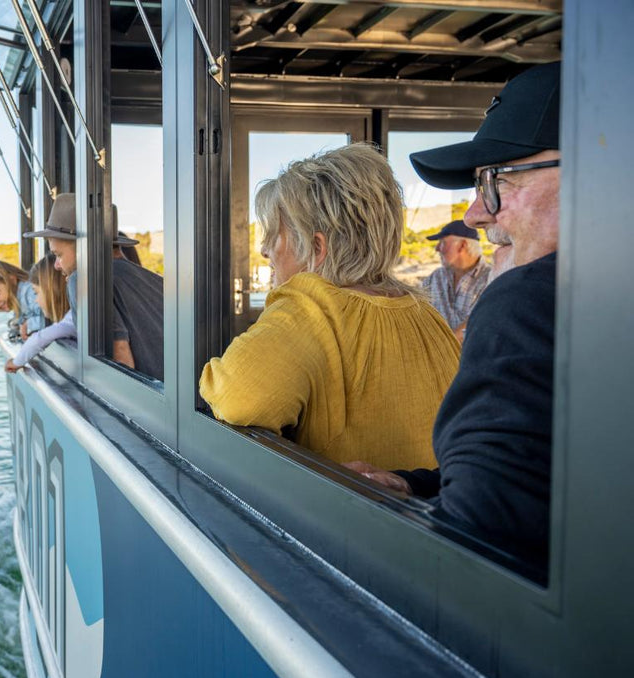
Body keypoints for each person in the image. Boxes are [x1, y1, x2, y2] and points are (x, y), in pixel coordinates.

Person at [345, 62, 561, 570]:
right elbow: (560, 480)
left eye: (495, 179)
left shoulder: (527, 299)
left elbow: (471, 556)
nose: (474, 214)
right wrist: (418, 485)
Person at [199, 143, 460, 470]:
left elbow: (236, 398)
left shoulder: (311, 305)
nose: (265, 251)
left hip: (349, 516)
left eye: (273, 236)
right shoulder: (426, 315)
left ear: (316, 247)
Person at [23, 194, 165, 381]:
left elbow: (120, 357)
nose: (56, 265)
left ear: (85, 247)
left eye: (58, 255)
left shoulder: (82, 279)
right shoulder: (151, 279)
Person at [422, 220, 491, 343]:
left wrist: (442, 347)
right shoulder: (435, 278)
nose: (437, 249)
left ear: (462, 245)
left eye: (443, 243)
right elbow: (419, 312)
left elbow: (479, 321)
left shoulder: (491, 279)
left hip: (471, 360)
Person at [5, 254, 76, 372]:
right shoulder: (72, 317)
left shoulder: (73, 318)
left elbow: (40, 338)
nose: (36, 300)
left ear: (52, 291)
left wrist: (16, 362)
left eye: (36, 292)